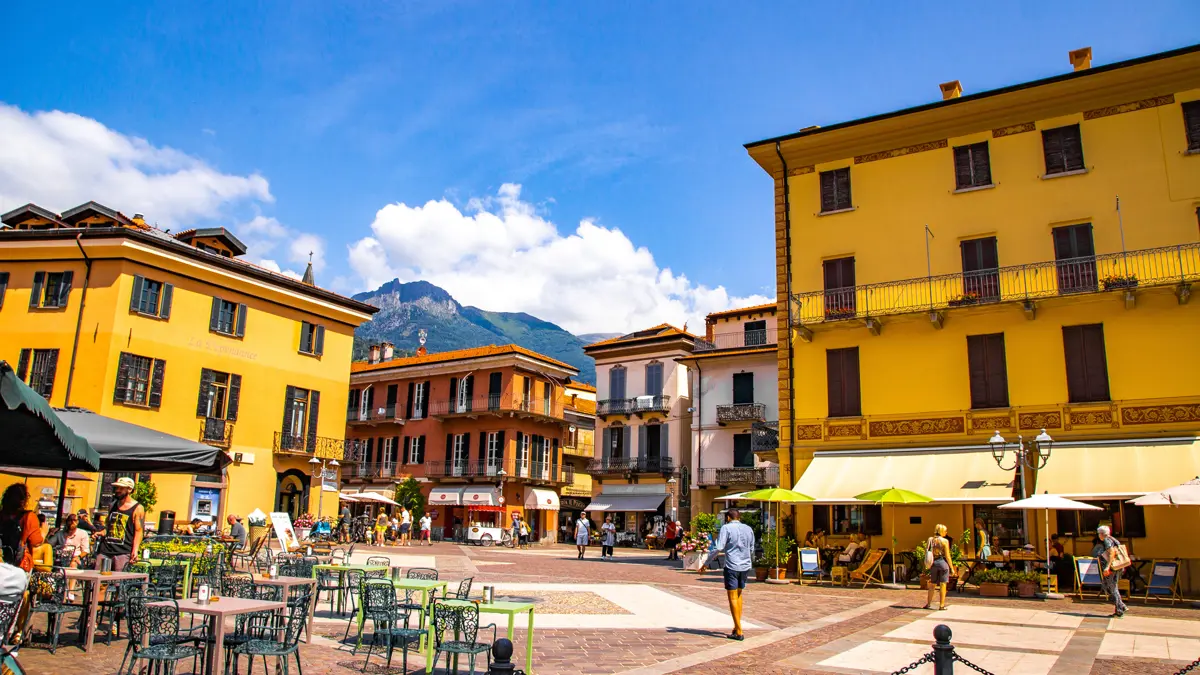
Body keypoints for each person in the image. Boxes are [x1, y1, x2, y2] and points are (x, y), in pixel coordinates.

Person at [714, 509, 755, 641]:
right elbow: (752, 548)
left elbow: (718, 547)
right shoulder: (748, 528)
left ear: (728, 518)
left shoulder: (726, 528)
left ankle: (739, 630)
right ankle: (736, 627)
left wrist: (706, 562)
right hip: (745, 566)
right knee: (739, 594)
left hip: (732, 565)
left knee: (732, 597)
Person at [95, 477, 145, 572]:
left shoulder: (138, 508)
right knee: (98, 582)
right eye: (117, 488)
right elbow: (109, 526)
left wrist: (135, 550)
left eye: (121, 488)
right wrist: (102, 532)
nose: (117, 490)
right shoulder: (112, 505)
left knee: (119, 583)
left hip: (123, 551)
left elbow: (139, 531)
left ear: (129, 490)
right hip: (105, 550)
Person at [0, 484, 43, 573]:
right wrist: (44, 532)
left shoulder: (1, 515)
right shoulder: (28, 517)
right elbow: (36, 542)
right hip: (20, 565)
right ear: (24, 499)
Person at [1095, 525, 1128, 617]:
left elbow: (1112, 553)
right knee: (1107, 585)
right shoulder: (1113, 539)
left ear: (1101, 534)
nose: (1098, 536)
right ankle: (1121, 606)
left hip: (1112, 568)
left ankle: (1120, 608)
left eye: (1099, 534)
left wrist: (1107, 567)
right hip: (1118, 567)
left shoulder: (1106, 540)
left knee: (1111, 587)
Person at [923, 524, 951, 611]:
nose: (946, 532)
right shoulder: (945, 541)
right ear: (941, 531)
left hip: (933, 563)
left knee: (932, 584)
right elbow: (947, 556)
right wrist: (952, 568)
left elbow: (926, 552)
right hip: (942, 563)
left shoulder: (930, 539)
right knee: (943, 584)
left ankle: (928, 604)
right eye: (945, 531)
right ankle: (941, 605)